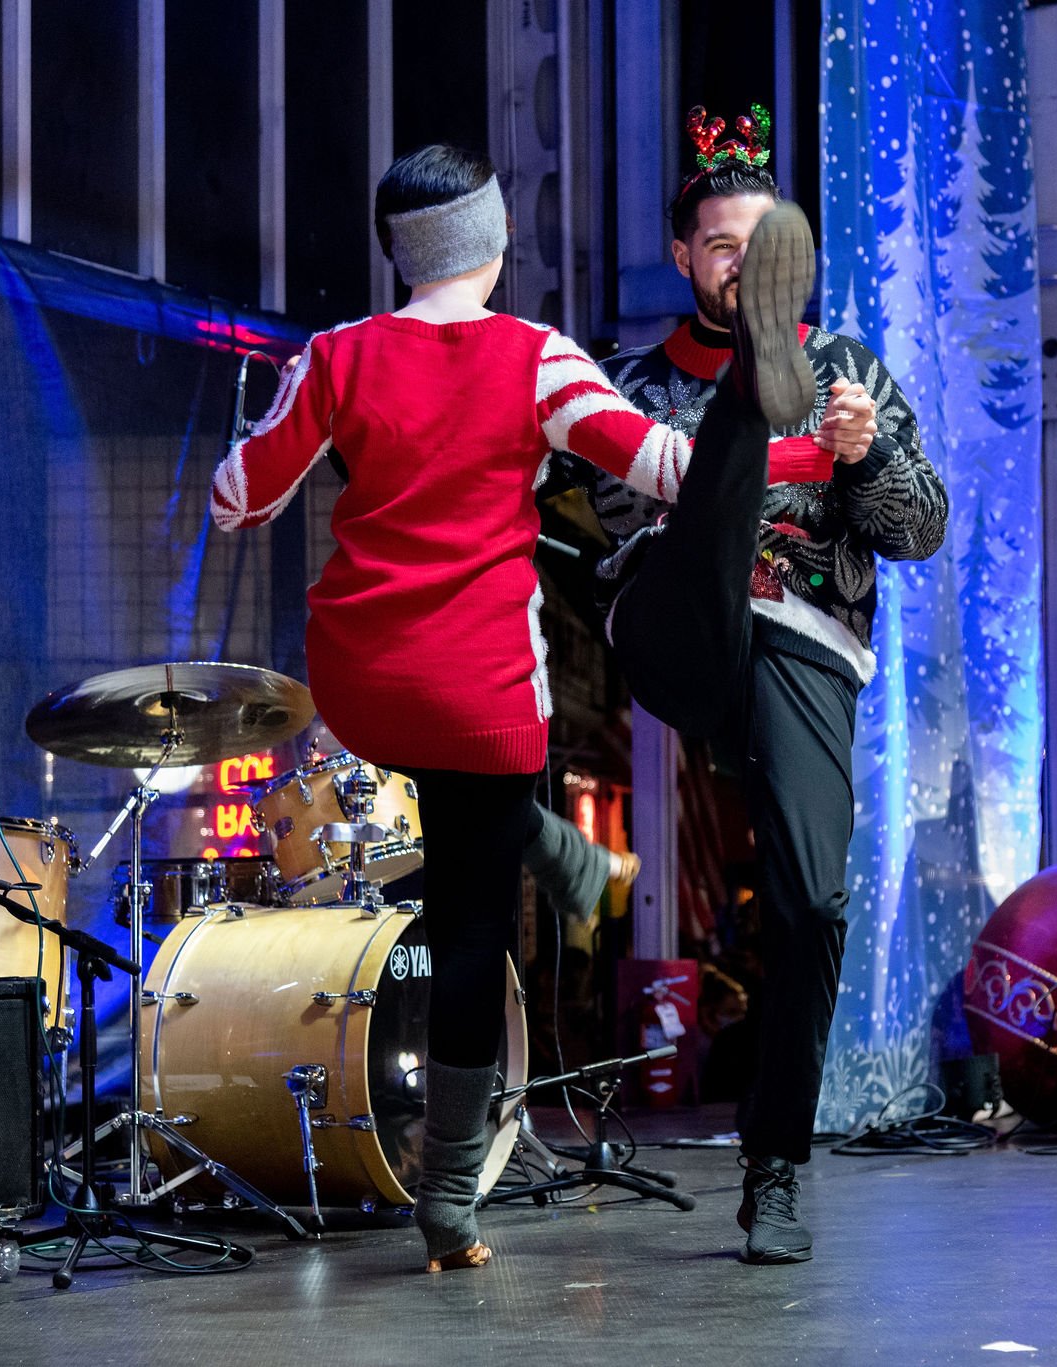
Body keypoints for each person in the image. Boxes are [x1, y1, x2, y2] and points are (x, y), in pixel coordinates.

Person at [209, 143, 799, 1272]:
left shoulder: (334, 356)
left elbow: (243, 497)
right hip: (478, 689)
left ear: (398, 251)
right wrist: (793, 446)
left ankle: (550, 846)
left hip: (363, 680)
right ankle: (447, 1196)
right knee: (475, 921)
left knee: (440, 794)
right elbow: (667, 467)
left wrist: (276, 439)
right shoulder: (538, 359)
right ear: (491, 244)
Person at [558, 104, 949, 1264]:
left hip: (803, 644)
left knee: (811, 903)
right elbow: (578, 517)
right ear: (685, 258)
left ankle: (774, 1166)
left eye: (759, 244)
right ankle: (744, 395)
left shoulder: (854, 376)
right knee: (709, 497)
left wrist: (865, 449)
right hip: (679, 620)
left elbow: (919, 526)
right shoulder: (619, 380)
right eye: (721, 248)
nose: (735, 260)